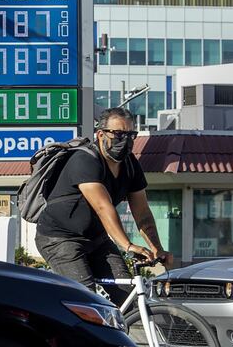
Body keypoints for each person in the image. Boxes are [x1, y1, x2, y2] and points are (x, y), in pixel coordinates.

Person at [34, 107, 173, 305]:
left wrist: (157, 248)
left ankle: (124, 334)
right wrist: (128, 246)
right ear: (101, 134)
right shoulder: (85, 160)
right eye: (117, 134)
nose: (124, 140)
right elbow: (103, 207)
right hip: (60, 238)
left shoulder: (130, 165)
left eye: (130, 135)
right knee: (84, 297)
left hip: (96, 239)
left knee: (128, 294)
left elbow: (142, 213)